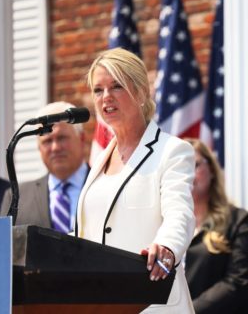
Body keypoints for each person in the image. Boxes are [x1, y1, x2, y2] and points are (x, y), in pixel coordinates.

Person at [76, 47, 196, 313]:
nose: (106, 97)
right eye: (98, 90)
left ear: (141, 92)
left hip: (152, 301)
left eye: (116, 86)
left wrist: (167, 246)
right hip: (99, 304)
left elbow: (180, 214)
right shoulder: (99, 160)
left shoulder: (172, 151)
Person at [184, 138, 248, 314]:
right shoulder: (163, 226)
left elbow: (238, 282)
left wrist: (188, 311)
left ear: (211, 169)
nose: (186, 174)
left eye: (194, 165)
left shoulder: (240, 221)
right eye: (179, 168)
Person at [0, 101, 89, 233]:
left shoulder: (105, 186)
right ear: (39, 147)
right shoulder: (16, 197)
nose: (55, 148)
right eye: (47, 141)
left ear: (81, 139)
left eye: (62, 138)